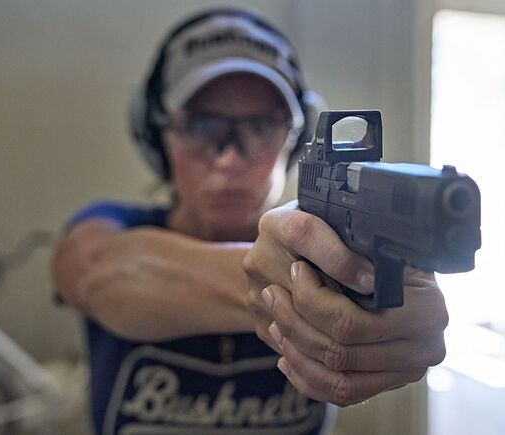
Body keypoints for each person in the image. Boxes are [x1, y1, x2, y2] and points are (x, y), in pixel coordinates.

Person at [52, 8, 448, 435]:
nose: (229, 158)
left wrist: (395, 309)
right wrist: (287, 285)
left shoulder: (330, 246)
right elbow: (94, 268)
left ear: (295, 140)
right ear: (155, 133)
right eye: (201, 123)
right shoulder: (111, 224)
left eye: (260, 125)